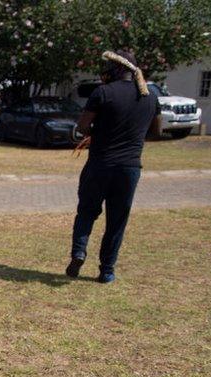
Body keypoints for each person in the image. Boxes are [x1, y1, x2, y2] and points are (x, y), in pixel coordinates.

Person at [67, 50, 158, 283]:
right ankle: (107, 270)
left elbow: (83, 126)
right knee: (116, 220)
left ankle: (79, 251)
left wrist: (96, 131)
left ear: (119, 68)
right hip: (129, 168)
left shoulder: (103, 92)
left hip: (100, 164)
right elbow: (155, 130)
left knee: (87, 211)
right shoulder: (150, 96)